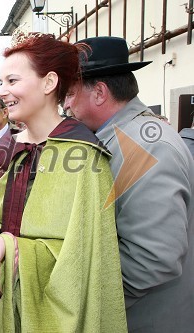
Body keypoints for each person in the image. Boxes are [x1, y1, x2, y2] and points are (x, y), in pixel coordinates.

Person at [0, 32, 127, 332]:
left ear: (49, 83)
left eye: (12, 81)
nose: (1, 92)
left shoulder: (84, 156)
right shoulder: (7, 148)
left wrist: (11, 249)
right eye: (1, 82)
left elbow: (83, 257)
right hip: (3, 303)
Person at [63, 36, 194, 332]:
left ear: (99, 92)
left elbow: (153, 257)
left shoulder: (144, 145)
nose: (67, 104)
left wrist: (88, 304)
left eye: (70, 94)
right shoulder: (128, 137)